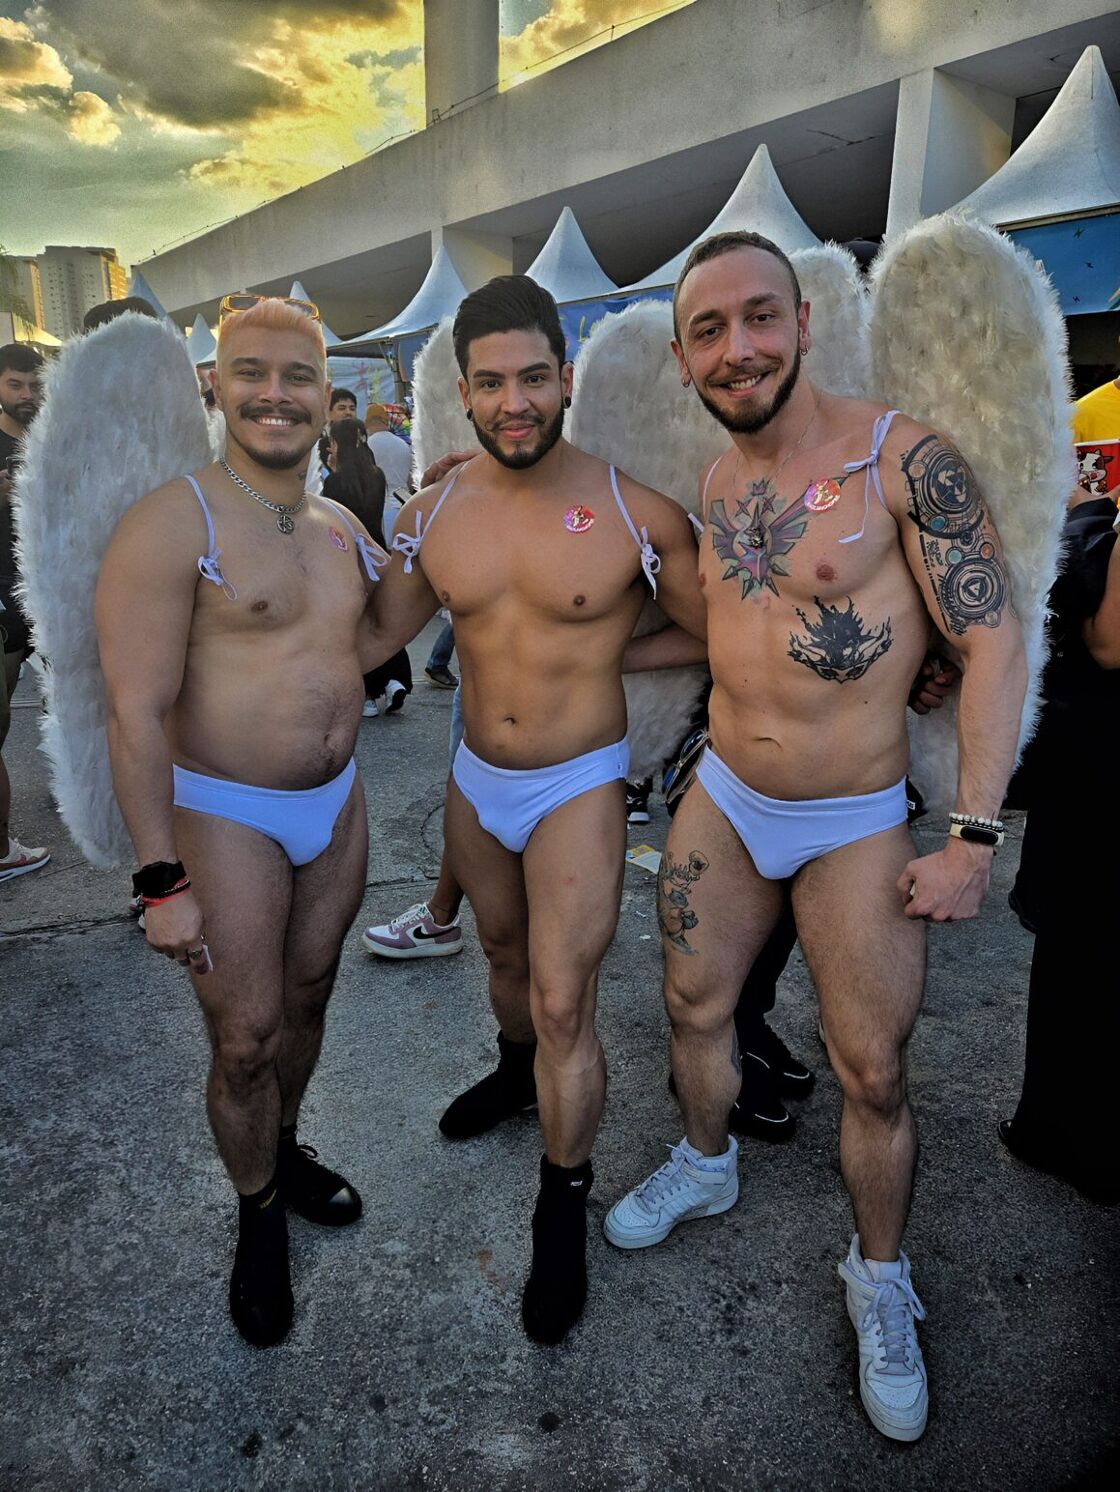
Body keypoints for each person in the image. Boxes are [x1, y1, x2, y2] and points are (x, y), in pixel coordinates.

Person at [604, 232, 1027, 1443]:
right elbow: (731, 631)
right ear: (685, 361)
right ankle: (705, 1154)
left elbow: (991, 637)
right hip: (727, 797)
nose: (736, 348)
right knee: (691, 1009)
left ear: (801, 323)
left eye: (756, 318)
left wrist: (972, 836)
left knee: (872, 1070)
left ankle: (880, 1278)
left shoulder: (903, 461)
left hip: (854, 818)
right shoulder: (718, 484)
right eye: (707, 330)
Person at [362, 275, 706, 1345]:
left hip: (575, 786)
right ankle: (515, 1080)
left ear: (566, 376)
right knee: (502, 966)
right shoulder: (432, 516)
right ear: (463, 392)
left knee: (564, 1001)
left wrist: (614, 647)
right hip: (475, 780)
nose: (515, 402)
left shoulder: (632, 511)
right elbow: (370, 640)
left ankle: (561, 1200)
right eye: (491, 383)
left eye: (533, 378)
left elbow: (723, 631)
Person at [94, 295, 385, 1348]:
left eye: (297, 376)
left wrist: (464, 514)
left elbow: (393, 623)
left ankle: (288, 1147)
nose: (276, 394)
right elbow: (132, 710)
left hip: (333, 805)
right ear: (215, 384)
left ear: (323, 392)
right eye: (251, 372)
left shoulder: (340, 525)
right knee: (246, 1036)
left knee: (308, 998)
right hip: (223, 810)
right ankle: (257, 1215)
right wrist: (158, 879)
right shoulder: (172, 520)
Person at [999, 481, 1120, 1205]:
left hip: (1103, 774)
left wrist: (1082, 517)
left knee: (1087, 955)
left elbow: (1109, 641)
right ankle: (1055, 1127)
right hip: (1092, 773)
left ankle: (1079, 1141)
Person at [0, 343, 48, 882]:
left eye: (35, 386)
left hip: (48, 589)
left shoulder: (51, 438)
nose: (27, 396)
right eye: (16, 385)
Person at [324, 416, 410, 717]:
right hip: (376, 553)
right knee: (383, 619)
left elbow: (332, 524)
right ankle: (395, 681)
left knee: (357, 625)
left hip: (348, 559)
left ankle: (370, 695)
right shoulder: (377, 475)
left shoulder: (334, 482)